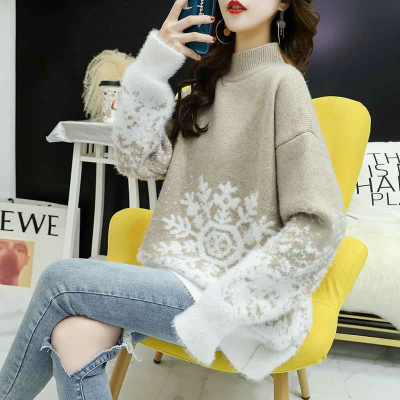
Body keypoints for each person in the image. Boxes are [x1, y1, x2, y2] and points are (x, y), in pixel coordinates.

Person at [0, 0, 346, 398]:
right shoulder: (205, 88)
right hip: (175, 280)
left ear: (284, 3)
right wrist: (151, 68)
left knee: (59, 281)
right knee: (73, 335)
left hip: (232, 300)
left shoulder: (284, 85)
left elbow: (322, 223)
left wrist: (229, 303)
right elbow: (136, 160)